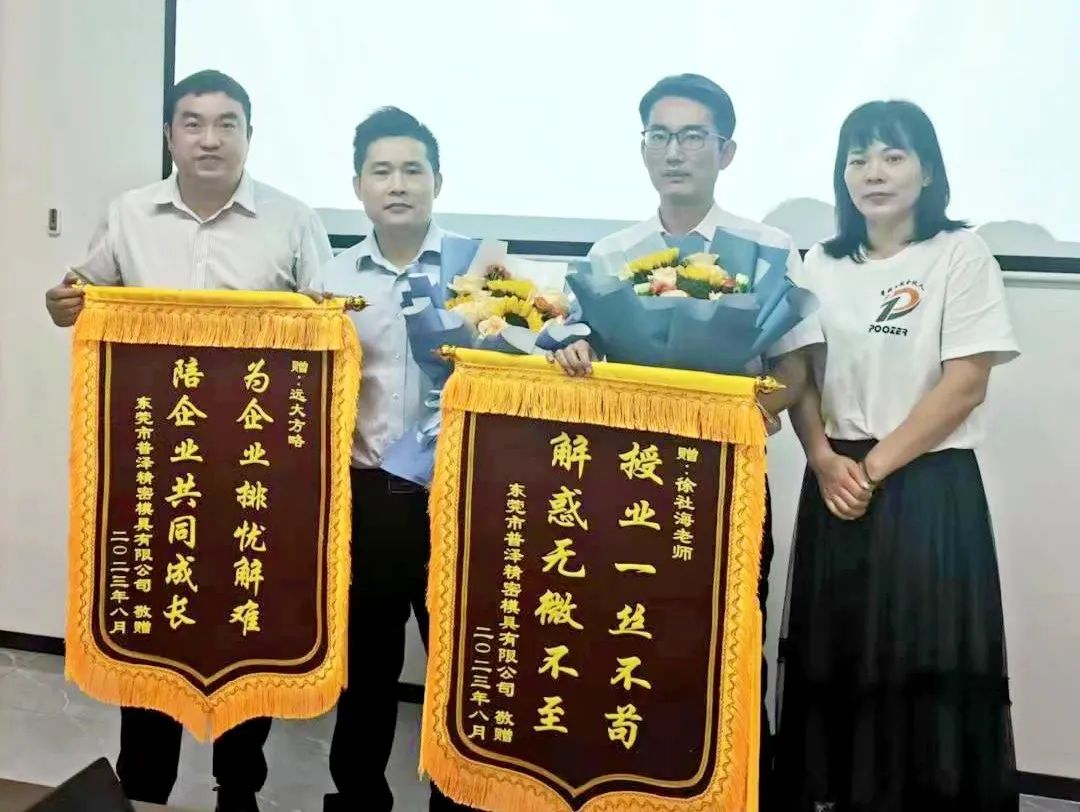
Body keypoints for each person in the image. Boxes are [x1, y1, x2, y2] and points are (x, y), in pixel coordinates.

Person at [44, 69, 332, 811]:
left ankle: (239, 786)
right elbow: (81, 294)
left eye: (226, 123)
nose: (210, 139)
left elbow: (328, 325)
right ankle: (144, 788)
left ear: (249, 135)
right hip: (154, 461)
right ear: (170, 135)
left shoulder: (293, 219)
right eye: (193, 123)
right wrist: (61, 301)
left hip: (256, 466)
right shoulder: (129, 213)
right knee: (152, 618)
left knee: (246, 618)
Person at [553, 73, 823, 806]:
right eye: (660, 136)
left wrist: (743, 409)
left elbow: (795, 373)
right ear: (643, 148)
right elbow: (586, 357)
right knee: (631, 643)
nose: (675, 152)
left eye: (693, 136)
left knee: (728, 648)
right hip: (630, 488)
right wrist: (574, 351)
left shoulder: (765, 249)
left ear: (725, 151)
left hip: (728, 484)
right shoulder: (612, 254)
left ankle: (732, 793)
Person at [775, 99, 1019, 811]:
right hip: (835, 481)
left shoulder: (959, 254)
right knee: (841, 653)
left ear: (928, 171)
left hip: (926, 484)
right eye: (858, 159)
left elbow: (966, 382)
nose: (873, 173)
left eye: (892, 156)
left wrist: (872, 469)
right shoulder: (818, 264)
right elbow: (799, 376)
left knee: (923, 655)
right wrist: (823, 458)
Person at [312, 106, 474, 812]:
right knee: (367, 667)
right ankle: (358, 797)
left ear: (439, 180)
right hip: (370, 494)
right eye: (381, 171)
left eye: (413, 170)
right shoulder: (332, 280)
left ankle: (459, 799)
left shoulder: (481, 270)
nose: (398, 184)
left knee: (459, 665)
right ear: (358, 186)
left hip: (460, 499)